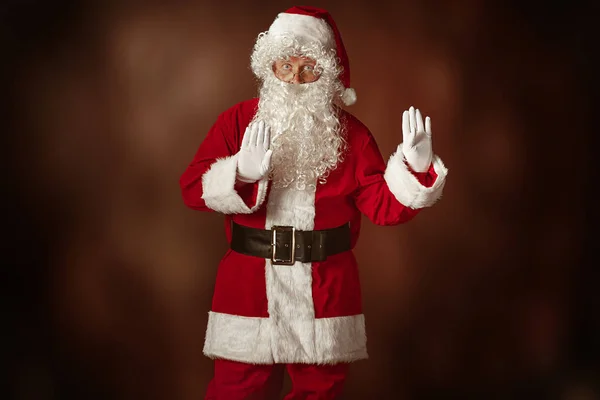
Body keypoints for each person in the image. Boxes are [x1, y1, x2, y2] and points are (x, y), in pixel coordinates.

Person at [179, 6, 448, 400]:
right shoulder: (236, 123)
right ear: (269, 66)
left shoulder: (351, 136)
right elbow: (192, 189)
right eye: (285, 67)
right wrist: (239, 173)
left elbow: (383, 205)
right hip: (248, 287)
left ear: (328, 76)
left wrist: (415, 169)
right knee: (236, 393)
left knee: (319, 396)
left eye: (309, 69)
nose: (295, 80)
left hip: (326, 292)